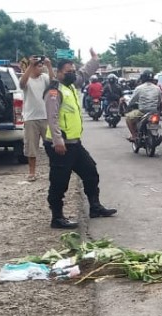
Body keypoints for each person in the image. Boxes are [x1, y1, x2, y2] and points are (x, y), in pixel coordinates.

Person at [43, 59, 117, 229]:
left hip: (74, 143)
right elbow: (52, 117)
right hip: (60, 145)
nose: (72, 73)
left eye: (73, 70)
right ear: (59, 72)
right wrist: (57, 141)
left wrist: (95, 60)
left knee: (91, 171)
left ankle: (95, 207)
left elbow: (85, 73)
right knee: (59, 181)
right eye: (68, 71)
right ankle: (57, 218)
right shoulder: (54, 91)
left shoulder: (70, 86)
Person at [20, 55, 52, 182]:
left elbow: (54, 82)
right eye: (38, 66)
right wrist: (30, 66)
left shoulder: (44, 78)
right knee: (31, 148)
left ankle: (53, 170)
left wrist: (49, 66)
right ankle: (32, 173)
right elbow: (22, 84)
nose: (40, 68)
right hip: (31, 118)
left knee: (50, 146)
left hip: (45, 117)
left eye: (41, 65)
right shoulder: (26, 79)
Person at [125, 70, 162, 141]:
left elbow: (131, 101)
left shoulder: (139, 88)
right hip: (154, 112)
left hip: (142, 112)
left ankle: (134, 136)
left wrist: (128, 105)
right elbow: (159, 101)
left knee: (128, 118)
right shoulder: (157, 88)